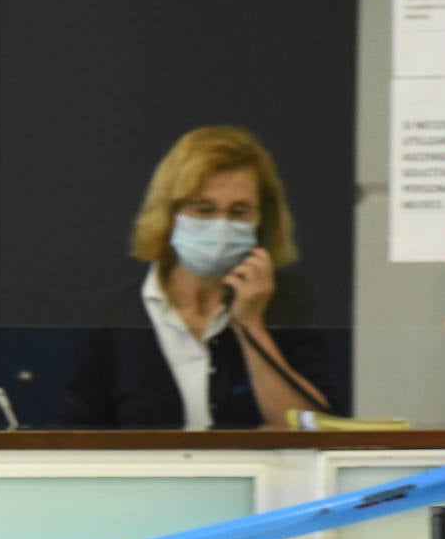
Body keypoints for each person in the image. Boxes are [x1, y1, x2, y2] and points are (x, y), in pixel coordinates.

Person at [56, 125, 340, 429]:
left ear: (261, 222)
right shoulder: (113, 315)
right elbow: (77, 437)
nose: (221, 226)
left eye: (239, 212)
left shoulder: (285, 302)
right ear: (170, 214)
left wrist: (251, 325)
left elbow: (313, 430)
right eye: (203, 210)